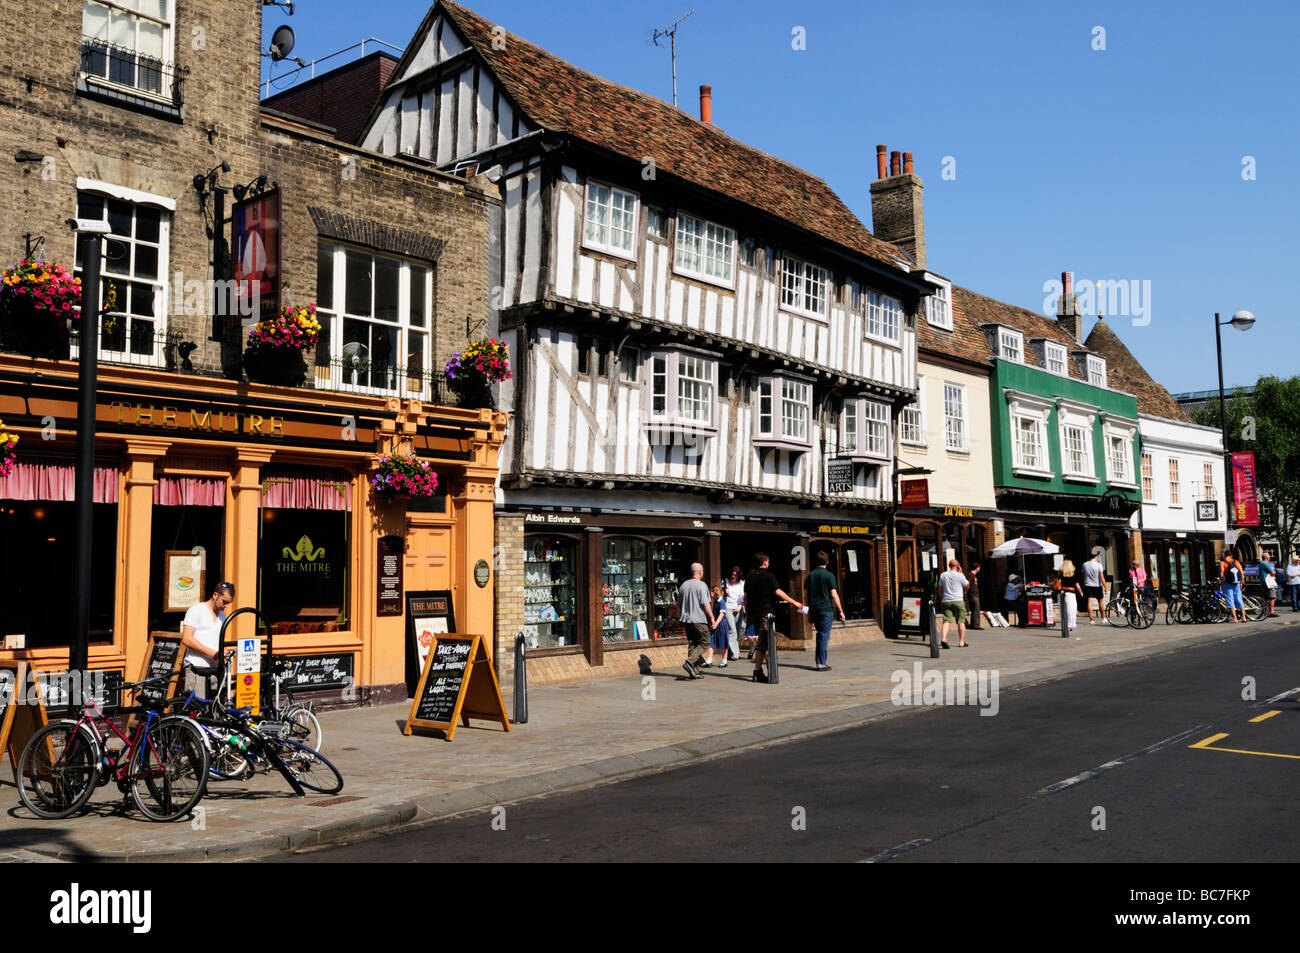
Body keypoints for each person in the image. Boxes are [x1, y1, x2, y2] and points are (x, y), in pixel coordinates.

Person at [745, 552, 805, 683]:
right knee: (766, 643)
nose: (769, 563)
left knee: (762, 643)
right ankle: (766, 671)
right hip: (766, 614)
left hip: (754, 614)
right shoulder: (768, 575)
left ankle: (760, 671)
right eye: (768, 561)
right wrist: (794, 602)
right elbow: (778, 591)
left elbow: (746, 597)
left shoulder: (749, 577)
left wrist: (747, 613)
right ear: (765, 562)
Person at [180, 581, 236, 697]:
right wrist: (212, 653)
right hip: (197, 667)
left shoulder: (222, 614)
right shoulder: (196, 610)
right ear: (215, 595)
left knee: (216, 709)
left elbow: (217, 638)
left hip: (215, 669)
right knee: (197, 709)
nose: (226, 606)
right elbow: (186, 638)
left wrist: (224, 651)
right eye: (224, 602)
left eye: (228, 603)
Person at [806, 551, 846, 670]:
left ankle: (820, 661)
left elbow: (807, 595)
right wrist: (841, 611)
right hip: (825, 609)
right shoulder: (829, 576)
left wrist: (809, 611)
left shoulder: (809, 575)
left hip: (814, 609)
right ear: (827, 562)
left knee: (820, 635)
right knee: (823, 636)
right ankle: (821, 663)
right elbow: (834, 594)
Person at [676, 562, 716, 679]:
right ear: (700, 572)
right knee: (705, 642)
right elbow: (706, 604)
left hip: (687, 619)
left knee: (693, 643)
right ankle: (689, 662)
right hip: (699, 619)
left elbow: (678, 605)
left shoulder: (683, 585)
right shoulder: (702, 585)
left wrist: (680, 617)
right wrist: (712, 617)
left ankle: (694, 671)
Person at [938, 559, 970, 649]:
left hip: (946, 601)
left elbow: (940, 589)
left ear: (949, 565)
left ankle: (944, 638)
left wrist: (941, 598)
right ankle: (961, 642)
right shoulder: (960, 575)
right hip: (958, 600)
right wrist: (961, 573)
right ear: (958, 566)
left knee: (947, 621)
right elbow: (967, 585)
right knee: (961, 621)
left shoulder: (943, 575)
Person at [721, 566, 745, 662]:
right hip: (728, 608)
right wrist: (724, 592)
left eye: (735, 575)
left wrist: (740, 606)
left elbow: (744, 596)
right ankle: (736, 654)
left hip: (738, 608)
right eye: (732, 574)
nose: (733, 576)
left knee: (737, 632)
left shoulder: (742, 583)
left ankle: (731, 653)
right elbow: (718, 594)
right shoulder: (725, 581)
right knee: (732, 630)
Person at [704, 585, 730, 667]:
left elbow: (721, 614)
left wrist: (715, 624)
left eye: (710, 593)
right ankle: (709, 660)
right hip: (715, 624)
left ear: (714, 593)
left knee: (723, 643)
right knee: (711, 642)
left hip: (721, 625)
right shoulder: (715, 601)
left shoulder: (721, 601)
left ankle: (724, 660)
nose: (710, 596)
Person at [1057, 559, 1083, 633]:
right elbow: (1077, 585)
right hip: (1070, 594)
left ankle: (1064, 624)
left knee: (1062, 610)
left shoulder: (1060, 574)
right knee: (1071, 609)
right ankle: (1070, 625)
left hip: (1061, 593)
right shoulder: (1073, 575)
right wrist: (1081, 592)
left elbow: (1057, 583)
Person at [1221, 552, 1246, 624]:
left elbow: (1221, 574)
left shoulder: (1222, 563)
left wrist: (1222, 582)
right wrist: (1241, 581)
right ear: (1231, 556)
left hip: (1227, 583)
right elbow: (1241, 572)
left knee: (1230, 599)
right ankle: (1243, 617)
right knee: (1239, 599)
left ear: (1224, 555)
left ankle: (1234, 618)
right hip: (1236, 583)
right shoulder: (1236, 562)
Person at [1081, 552, 1105, 624]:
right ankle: (1103, 619)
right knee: (1100, 602)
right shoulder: (1099, 565)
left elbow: (1083, 575)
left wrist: (1085, 582)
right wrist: (1105, 586)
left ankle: (1091, 620)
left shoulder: (1085, 564)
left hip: (1088, 585)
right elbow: (1101, 577)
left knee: (1089, 602)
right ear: (1095, 557)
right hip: (1097, 585)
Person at [1259, 550, 1279, 617]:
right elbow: (1273, 573)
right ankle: (1271, 612)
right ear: (1268, 558)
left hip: (1263, 582)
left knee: (1266, 598)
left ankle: (1265, 612)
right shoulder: (1265, 564)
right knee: (1273, 597)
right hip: (1268, 583)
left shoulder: (1261, 563)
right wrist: (1273, 571)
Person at [966, 561, 983, 630]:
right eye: (979, 567)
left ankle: (973, 624)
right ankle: (976, 625)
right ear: (977, 567)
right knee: (976, 609)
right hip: (973, 594)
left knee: (974, 609)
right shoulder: (970, 574)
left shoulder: (973, 575)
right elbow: (967, 583)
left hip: (974, 594)